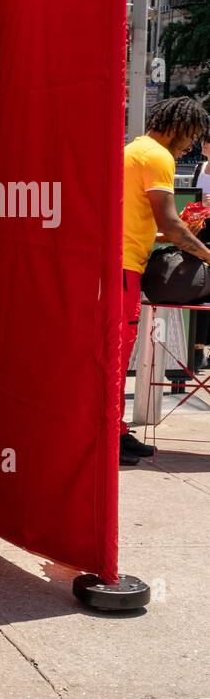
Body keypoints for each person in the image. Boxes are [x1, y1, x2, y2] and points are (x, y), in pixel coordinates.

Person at [119, 97, 210, 465]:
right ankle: (113, 436)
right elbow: (169, 224)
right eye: (191, 133)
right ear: (175, 125)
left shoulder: (136, 150)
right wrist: (205, 253)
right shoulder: (157, 156)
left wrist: (175, 234)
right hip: (122, 267)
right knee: (117, 354)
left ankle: (117, 431)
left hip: (122, 263)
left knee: (117, 354)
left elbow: (150, 225)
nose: (192, 143)